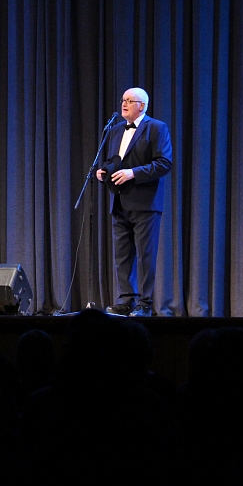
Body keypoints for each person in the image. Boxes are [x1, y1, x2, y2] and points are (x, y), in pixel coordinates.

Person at [95, 88, 172, 317]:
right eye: (123, 100)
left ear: (143, 106)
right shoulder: (115, 130)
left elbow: (164, 163)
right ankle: (126, 300)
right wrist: (103, 172)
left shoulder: (157, 128)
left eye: (130, 100)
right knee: (122, 255)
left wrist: (133, 173)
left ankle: (145, 304)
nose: (124, 104)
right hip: (119, 202)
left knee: (146, 255)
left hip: (145, 203)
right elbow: (113, 161)